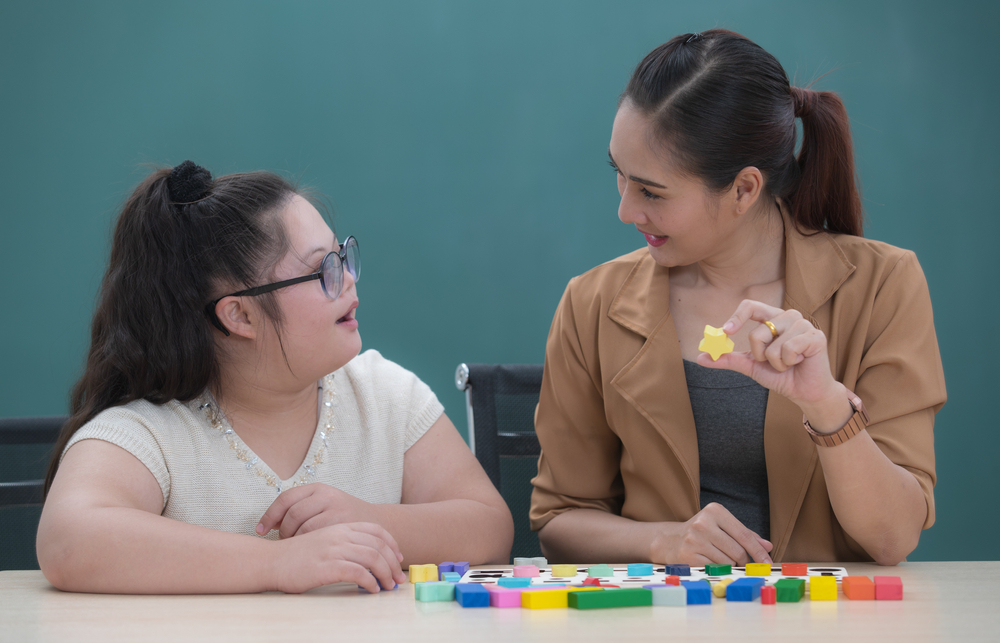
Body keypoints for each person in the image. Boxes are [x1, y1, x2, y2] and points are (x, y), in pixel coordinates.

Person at [529, 30, 945, 566]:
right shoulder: (591, 304)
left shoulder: (884, 285)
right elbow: (559, 521)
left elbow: (893, 538)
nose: (626, 212)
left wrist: (825, 404)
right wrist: (662, 541)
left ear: (745, 189)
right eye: (621, 177)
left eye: (652, 191)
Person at [37, 161, 513, 594]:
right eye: (323, 268)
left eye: (343, 255)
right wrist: (279, 561)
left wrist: (372, 520)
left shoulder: (385, 393)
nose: (348, 278)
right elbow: (67, 542)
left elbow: (491, 528)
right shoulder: (152, 430)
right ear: (240, 316)